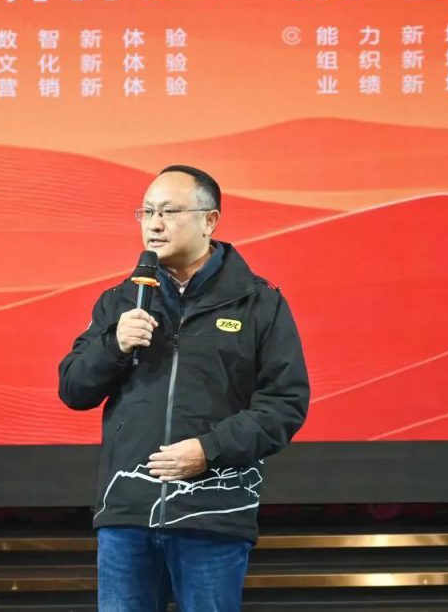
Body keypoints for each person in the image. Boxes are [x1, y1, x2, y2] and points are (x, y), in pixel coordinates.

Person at [59, 165, 310, 611]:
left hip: (213, 513)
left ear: (210, 221)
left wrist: (208, 450)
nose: (154, 224)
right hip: (128, 512)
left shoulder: (259, 304)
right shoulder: (121, 301)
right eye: (147, 212)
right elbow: (74, 388)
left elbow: (284, 405)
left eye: (170, 212)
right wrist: (114, 345)